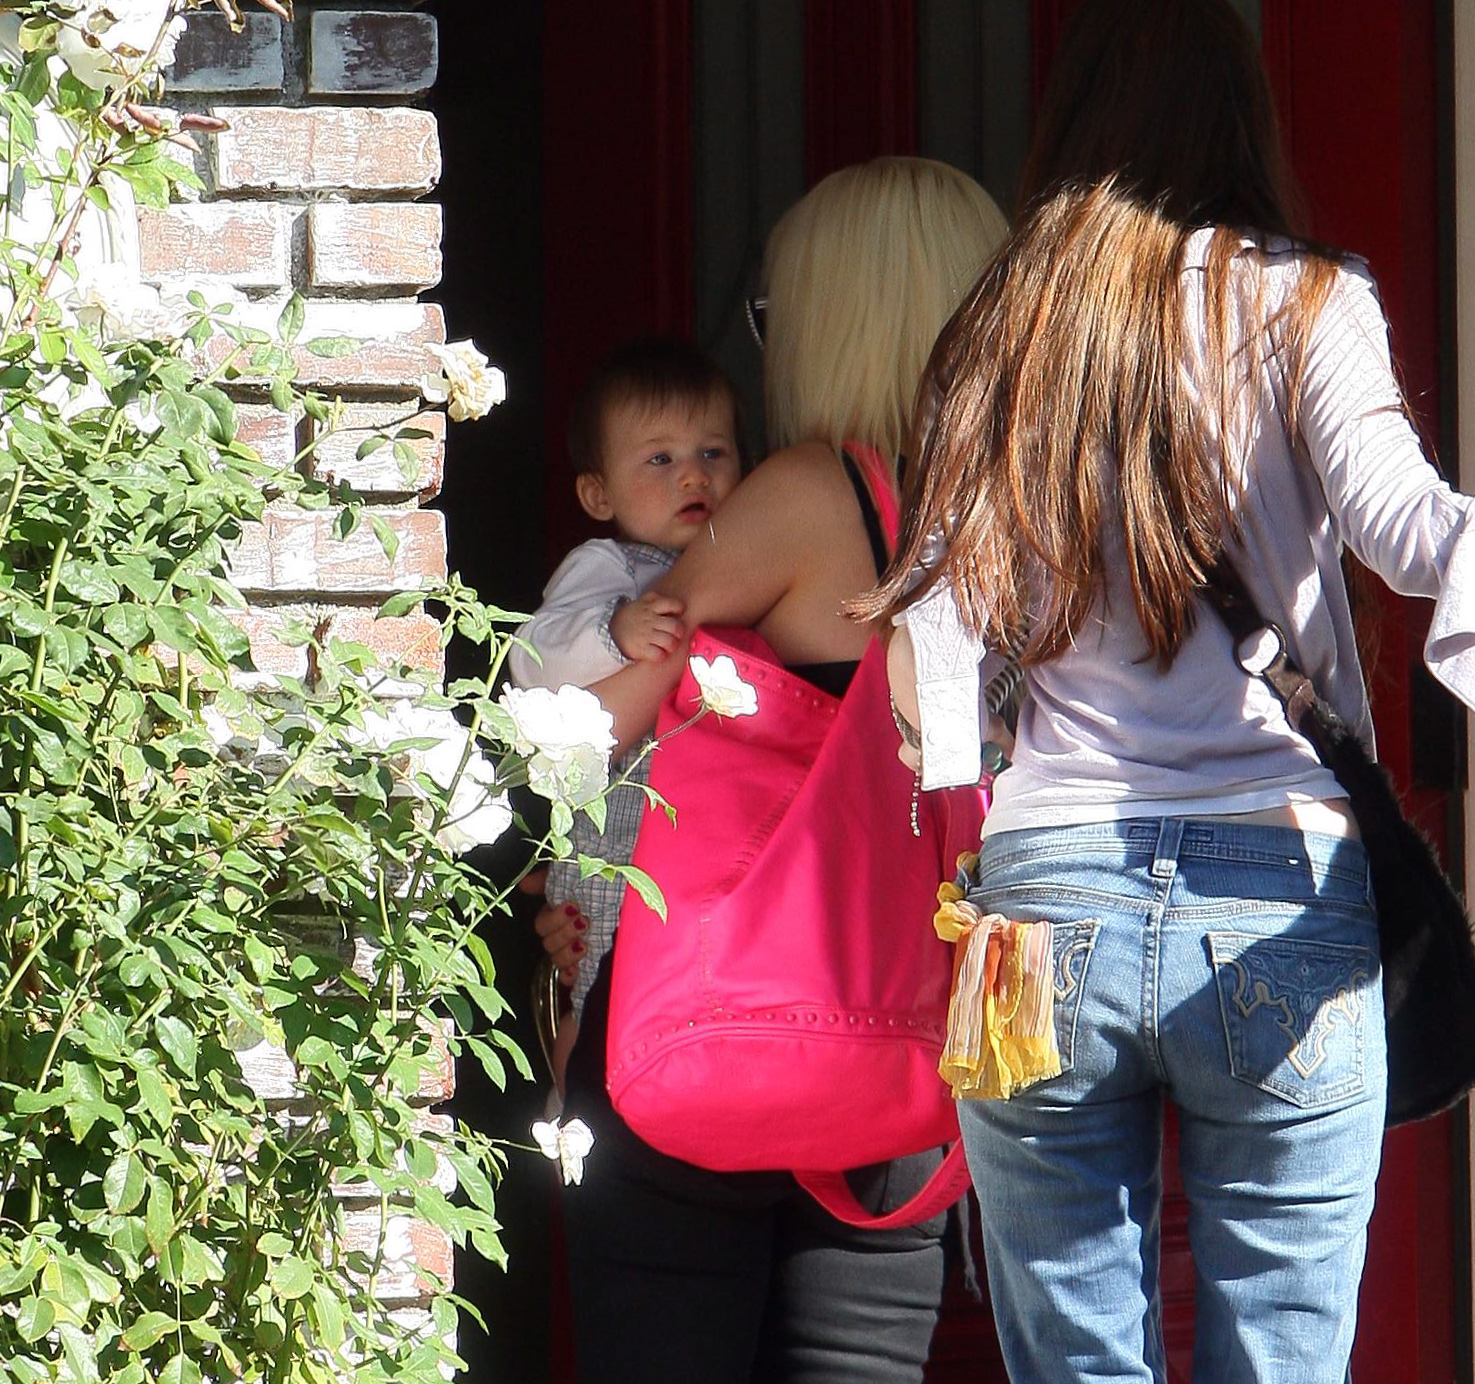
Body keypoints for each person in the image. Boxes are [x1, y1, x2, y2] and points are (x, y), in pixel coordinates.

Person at [868, 3, 1475, 1381]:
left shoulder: (1006, 317)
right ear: (1237, 111)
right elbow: (1408, 532)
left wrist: (962, 779)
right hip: (1277, 876)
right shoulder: (1306, 300)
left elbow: (940, 619)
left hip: (1043, 901)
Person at [535, 156, 1008, 1384]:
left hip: (733, 1016)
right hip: (911, 1025)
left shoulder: (809, 491)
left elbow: (613, 713)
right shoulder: (1026, 502)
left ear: (830, 316)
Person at [509, 339, 742, 1093]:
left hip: (693, 818)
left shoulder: (745, 556)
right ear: (598, 494)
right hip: (618, 817)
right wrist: (614, 631)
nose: (693, 474)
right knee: (603, 948)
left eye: (713, 452)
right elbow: (534, 658)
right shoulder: (609, 567)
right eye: (659, 459)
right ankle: (573, 1070)